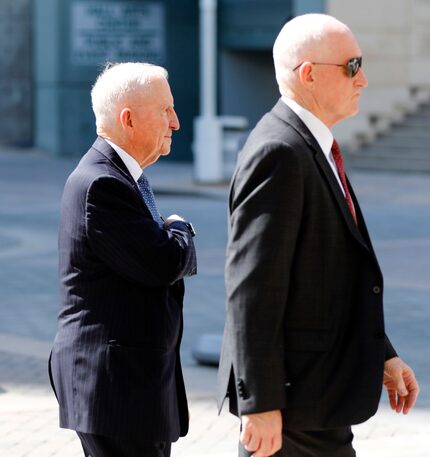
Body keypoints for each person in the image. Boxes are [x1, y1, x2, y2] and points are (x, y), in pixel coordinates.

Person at [217, 14, 419, 457]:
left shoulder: (313, 147)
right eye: (352, 66)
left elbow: (333, 274)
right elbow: (253, 288)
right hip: (292, 410)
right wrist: (262, 402)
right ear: (307, 74)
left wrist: (382, 353)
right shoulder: (279, 152)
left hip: (319, 401)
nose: (363, 79)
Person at [49, 62, 197, 457]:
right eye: (165, 110)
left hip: (125, 388)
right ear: (128, 119)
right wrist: (181, 228)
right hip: (117, 390)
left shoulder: (117, 177)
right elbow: (164, 262)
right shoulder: (102, 183)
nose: (176, 122)